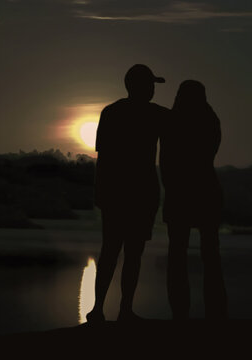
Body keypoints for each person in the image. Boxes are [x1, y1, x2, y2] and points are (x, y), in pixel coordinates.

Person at [86, 64, 169, 323]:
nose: (153, 90)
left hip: (117, 193)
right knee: (131, 253)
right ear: (143, 87)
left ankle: (101, 309)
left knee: (112, 250)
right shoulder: (156, 115)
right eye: (151, 85)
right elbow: (186, 125)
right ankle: (121, 310)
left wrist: (101, 193)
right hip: (140, 193)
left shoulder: (111, 112)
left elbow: (103, 158)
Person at [160, 80, 228, 321]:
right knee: (210, 254)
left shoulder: (172, 121)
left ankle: (180, 313)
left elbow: (166, 163)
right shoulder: (211, 119)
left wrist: (172, 188)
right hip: (207, 191)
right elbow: (209, 151)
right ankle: (216, 312)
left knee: (177, 255)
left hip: (181, 194)